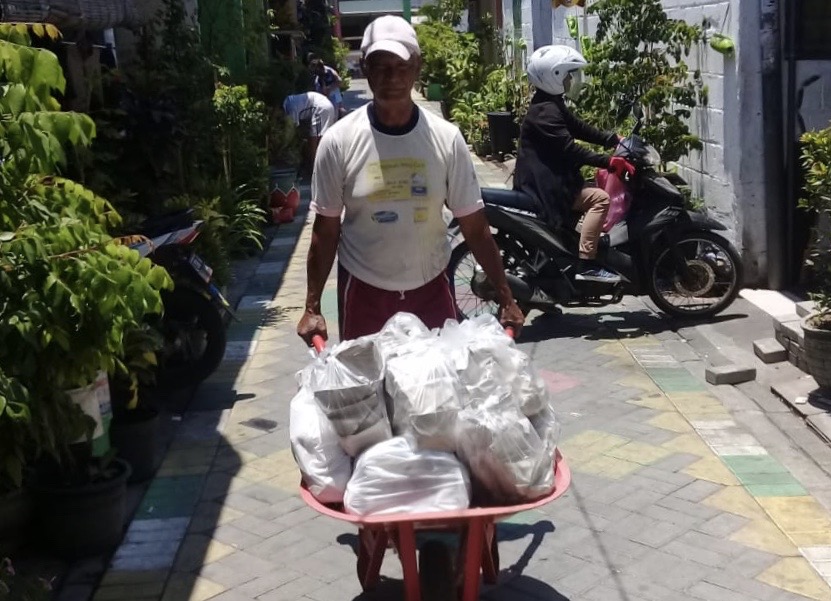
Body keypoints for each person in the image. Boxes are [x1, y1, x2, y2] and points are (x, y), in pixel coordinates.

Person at [297, 14, 524, 346]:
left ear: (417, 67)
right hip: (364, 291)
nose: (391, 77)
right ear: (365, 69)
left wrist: (506, 298)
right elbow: (325, 230)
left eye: (401, 66)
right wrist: (312, 306)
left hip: (430, 289)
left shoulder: (446, 138)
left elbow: (474, 225)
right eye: (380, 66)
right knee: (368, 394)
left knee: (438, 390)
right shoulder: (338, 141)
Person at [513, 44, 635, 284]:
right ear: (554, 76)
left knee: (589, 190)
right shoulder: (546, 113)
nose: (571, 80)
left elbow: (578, 127)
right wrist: (609, 162)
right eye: (568, 74)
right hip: (545, 186)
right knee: (600, 199)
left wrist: (613, 139)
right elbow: (570, 149)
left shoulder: (548, 103)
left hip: (547, 178)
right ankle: (587, 263)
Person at [282, 91, 336, 176]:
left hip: (320, 108)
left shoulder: (290, 107)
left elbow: (293, 128)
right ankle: (318, 169)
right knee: (315, 139)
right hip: (322, 105)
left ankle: (317, 171)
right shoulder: (290, 100)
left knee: (315, 140)